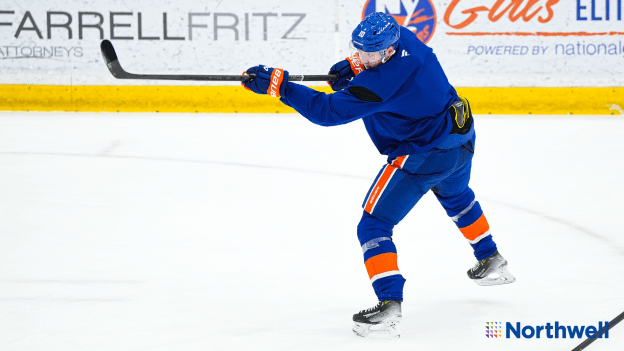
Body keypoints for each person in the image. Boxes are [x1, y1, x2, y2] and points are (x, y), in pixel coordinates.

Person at [241, 12, 515, 339]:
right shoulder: (405, 36)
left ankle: (389, 307)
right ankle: (492, 259)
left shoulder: (382, 83)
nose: (365, 58)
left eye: (371, 54)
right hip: (460, 136)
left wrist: (280, 86)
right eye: (360, 51)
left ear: (387, 51)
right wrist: (355, 66)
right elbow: (377, 75)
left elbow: (327, 112)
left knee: (373, 225)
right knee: (457, 197)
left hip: (425, 152)